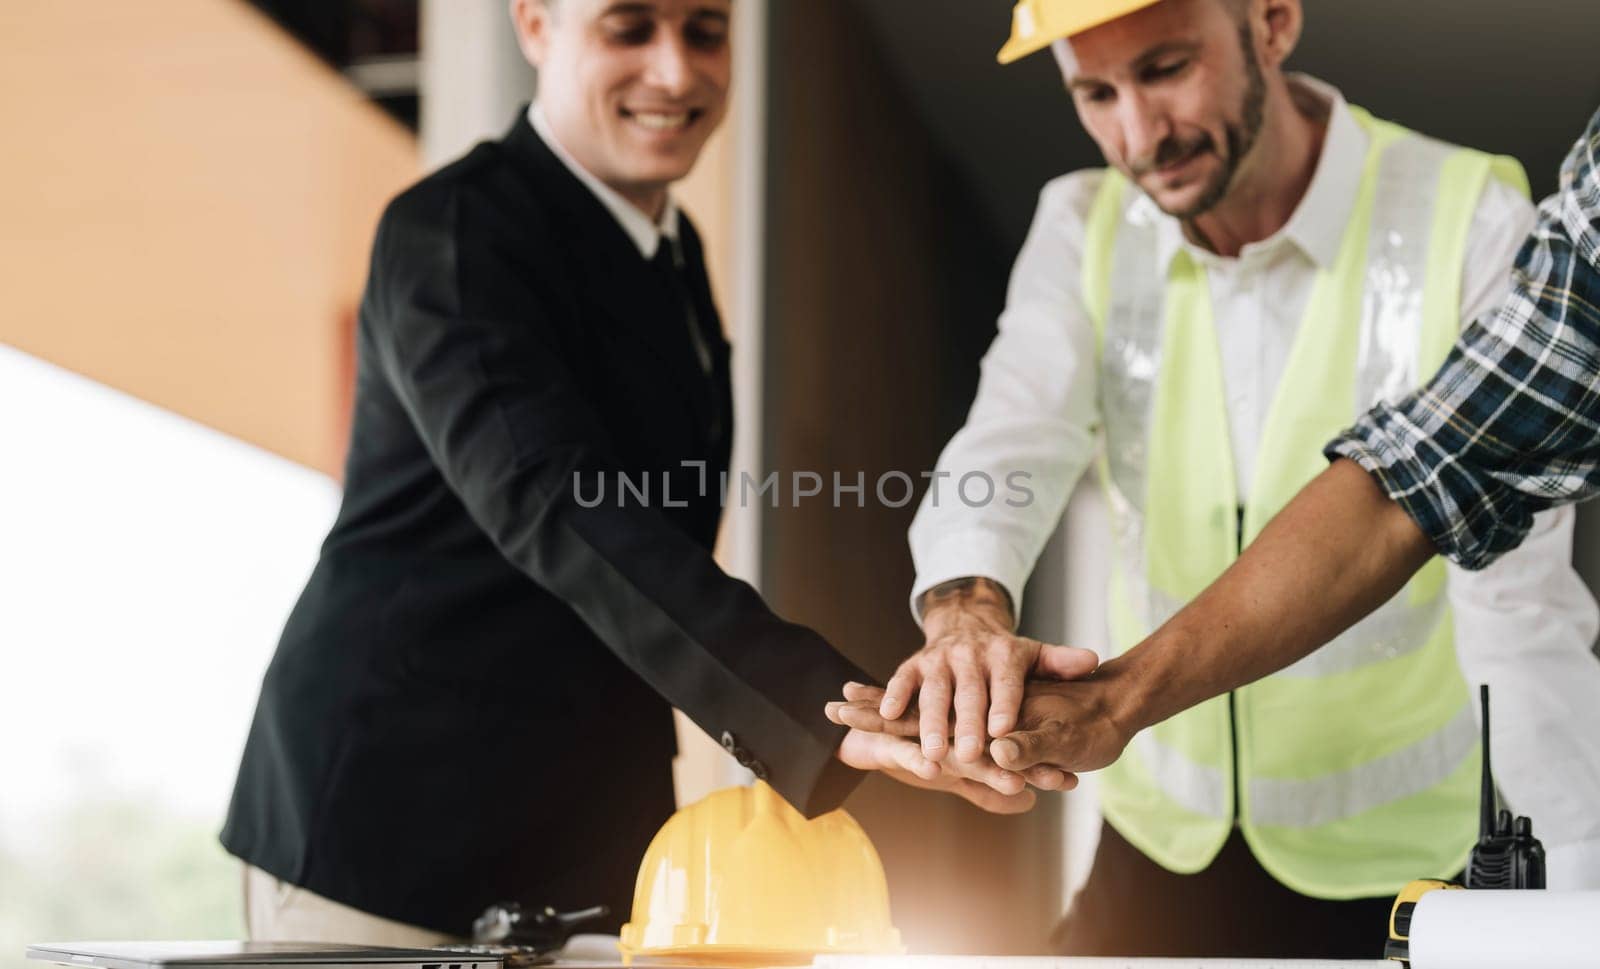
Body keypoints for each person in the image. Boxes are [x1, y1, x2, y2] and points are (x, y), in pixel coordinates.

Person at [222, 0, 1049, 947]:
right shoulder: (451, 233)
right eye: (628, 29)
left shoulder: (675, 253)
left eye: (705, 31)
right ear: (536, 25)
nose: (676, 72)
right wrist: (812, 705)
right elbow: (557, 500)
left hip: (584, 839)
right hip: (386, 827)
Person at [828, 0, 1600, 957]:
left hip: (1403, 865)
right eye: (1096, 93)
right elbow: (1005, 446)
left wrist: (1576, 868)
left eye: (1165, 69)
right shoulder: (1083, 227)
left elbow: (1517, 603)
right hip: (1162, 842)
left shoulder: (1470, 216)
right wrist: (965, 620)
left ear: (1272, 22)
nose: (1139, 134)